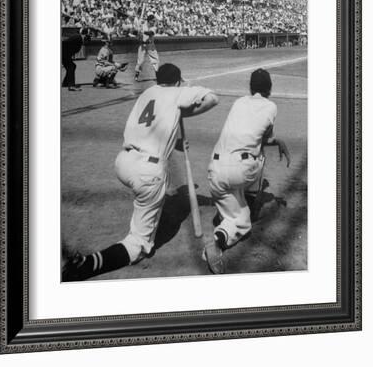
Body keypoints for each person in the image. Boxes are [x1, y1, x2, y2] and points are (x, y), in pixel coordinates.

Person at [62, 63, 219, 281]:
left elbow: (152, 125)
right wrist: (185, 101)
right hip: (148, 171)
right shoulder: (178, 91)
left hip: (124, 163)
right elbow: (212, 98)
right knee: (139, 244)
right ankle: (88, 264)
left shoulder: (147, 93)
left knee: (148, 188)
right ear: (177, 81)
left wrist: (175, 133)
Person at [207, 68, 291, 251]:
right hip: (241, 171)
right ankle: (250, 203)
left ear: (250, 87)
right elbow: (264, 139)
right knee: (244, 223)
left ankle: (228, 221)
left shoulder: (238, 102)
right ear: (269, 88)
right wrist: (279, 141)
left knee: (236, 215)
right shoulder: (271, 106)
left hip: (214, 171)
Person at [135, 14, 159, 81]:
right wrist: (138, 31)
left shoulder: (154, 27)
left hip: (151, 45)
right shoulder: (142, 25)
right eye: (153, 21)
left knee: (155, 60)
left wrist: (143, 31)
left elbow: (150, 33)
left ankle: (158, 76)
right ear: (149, 21)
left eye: (154, 21)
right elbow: (136, 33)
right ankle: (136, 76)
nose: (154, 22)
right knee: (140, 61)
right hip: (142, 45)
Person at [61, 24, 83, 91]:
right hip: (63, 53)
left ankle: (66, 83)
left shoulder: (79, 40)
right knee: (71, 67)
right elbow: (65, 42)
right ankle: (71, 85)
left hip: (65, 54)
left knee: (72, 66)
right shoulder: (78, 37)